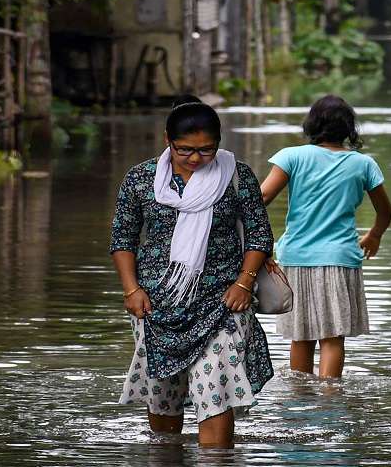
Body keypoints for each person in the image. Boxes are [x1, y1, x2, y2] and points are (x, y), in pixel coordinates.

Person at [110, 95, 275, 448]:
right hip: (156, 304)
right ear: (167, 140)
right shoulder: (141, 179)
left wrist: (244, 283)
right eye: (186, 150)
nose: (197, 158)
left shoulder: (237, 177)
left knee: (215, 388)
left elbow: (260, 235)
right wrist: (131, 290)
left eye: (207, 149)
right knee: (163, 393)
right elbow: (122, 238)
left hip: (223, 302)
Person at [260, 95, 391, 380]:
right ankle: (331, 396)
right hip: (341, 258)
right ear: (349, 129)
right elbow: (385, 212)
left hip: (296, 257)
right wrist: (374, 235)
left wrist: (257, 244)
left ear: (311, 126)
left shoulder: (291, 157)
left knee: (301, 335)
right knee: (333, 337)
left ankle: (300, 397)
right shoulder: (364, 164)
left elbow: (262, 198)